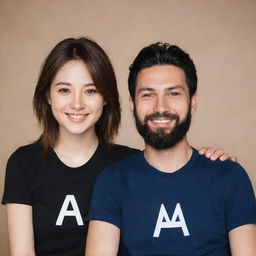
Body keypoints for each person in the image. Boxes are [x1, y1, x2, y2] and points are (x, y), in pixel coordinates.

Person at [2, 37, 235, 256]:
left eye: (91, 90)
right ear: (48, 96)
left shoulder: (128, 165)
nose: (77, 103)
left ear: (106, 97)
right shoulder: (24, 163)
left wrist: (209, 163)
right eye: (64, 90)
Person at [86, 43, 256, 256]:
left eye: (173, 93)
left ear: (193, 103)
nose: (160, 107)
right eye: (148, 95)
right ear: (132, 105)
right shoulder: (113, 181)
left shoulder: (229, 176)